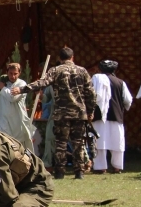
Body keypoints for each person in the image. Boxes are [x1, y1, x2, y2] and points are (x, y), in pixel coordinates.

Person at [14, 47, 95, 180]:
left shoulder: (56, 71)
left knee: (61, 144)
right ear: (72, 57)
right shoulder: (82, 71)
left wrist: (23, 89)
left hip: (61, 114)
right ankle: (79, 172)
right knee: (78, 143)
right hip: (79, 113)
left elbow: (42, 82)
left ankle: (60, 172)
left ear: (60, 59)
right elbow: (91, 94)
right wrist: (90, 112)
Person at [91, 60, 133, 174]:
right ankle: (117, 167)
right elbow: (128, 100)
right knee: (117, 143)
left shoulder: (95, 79)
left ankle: (100, 167)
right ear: (115, 70)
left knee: (99, 142)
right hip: (116, 116)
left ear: (100, 69)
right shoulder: (121, 83)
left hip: (98, 117)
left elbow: (91, 95)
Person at [0, 63, 35, 152]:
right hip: (2, 120)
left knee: (16, 149)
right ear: (7, 72)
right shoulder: (3, 83)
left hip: (16, 123)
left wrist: (3, 88)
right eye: (10, 73)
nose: (12, 76)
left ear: (19, 73)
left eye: (15, 74)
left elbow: (12, 98)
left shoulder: (21, 84)